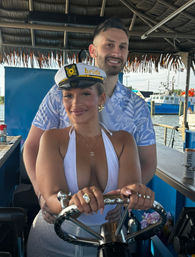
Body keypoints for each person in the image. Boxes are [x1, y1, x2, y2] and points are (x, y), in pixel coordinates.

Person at [23, 17, 156, 223]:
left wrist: (124, 199)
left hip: (111, 221)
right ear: (93, 51)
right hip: (61, 216)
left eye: (123, 47)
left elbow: (148, 161)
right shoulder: (58, 93)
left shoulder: (137, 106)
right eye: (109, 45)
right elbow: (31, 146)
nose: (116, 52)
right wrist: (44, 196)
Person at [27, 63, 155, 257]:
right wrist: (72, 202)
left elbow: (127, 191)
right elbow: (53, 198)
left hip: (110, 242)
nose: (75, 103)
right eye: (68, 95)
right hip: (53, 241)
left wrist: (138, 195)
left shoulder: (124, 141)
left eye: (85, 94)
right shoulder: (52, 139)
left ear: (101, 98)